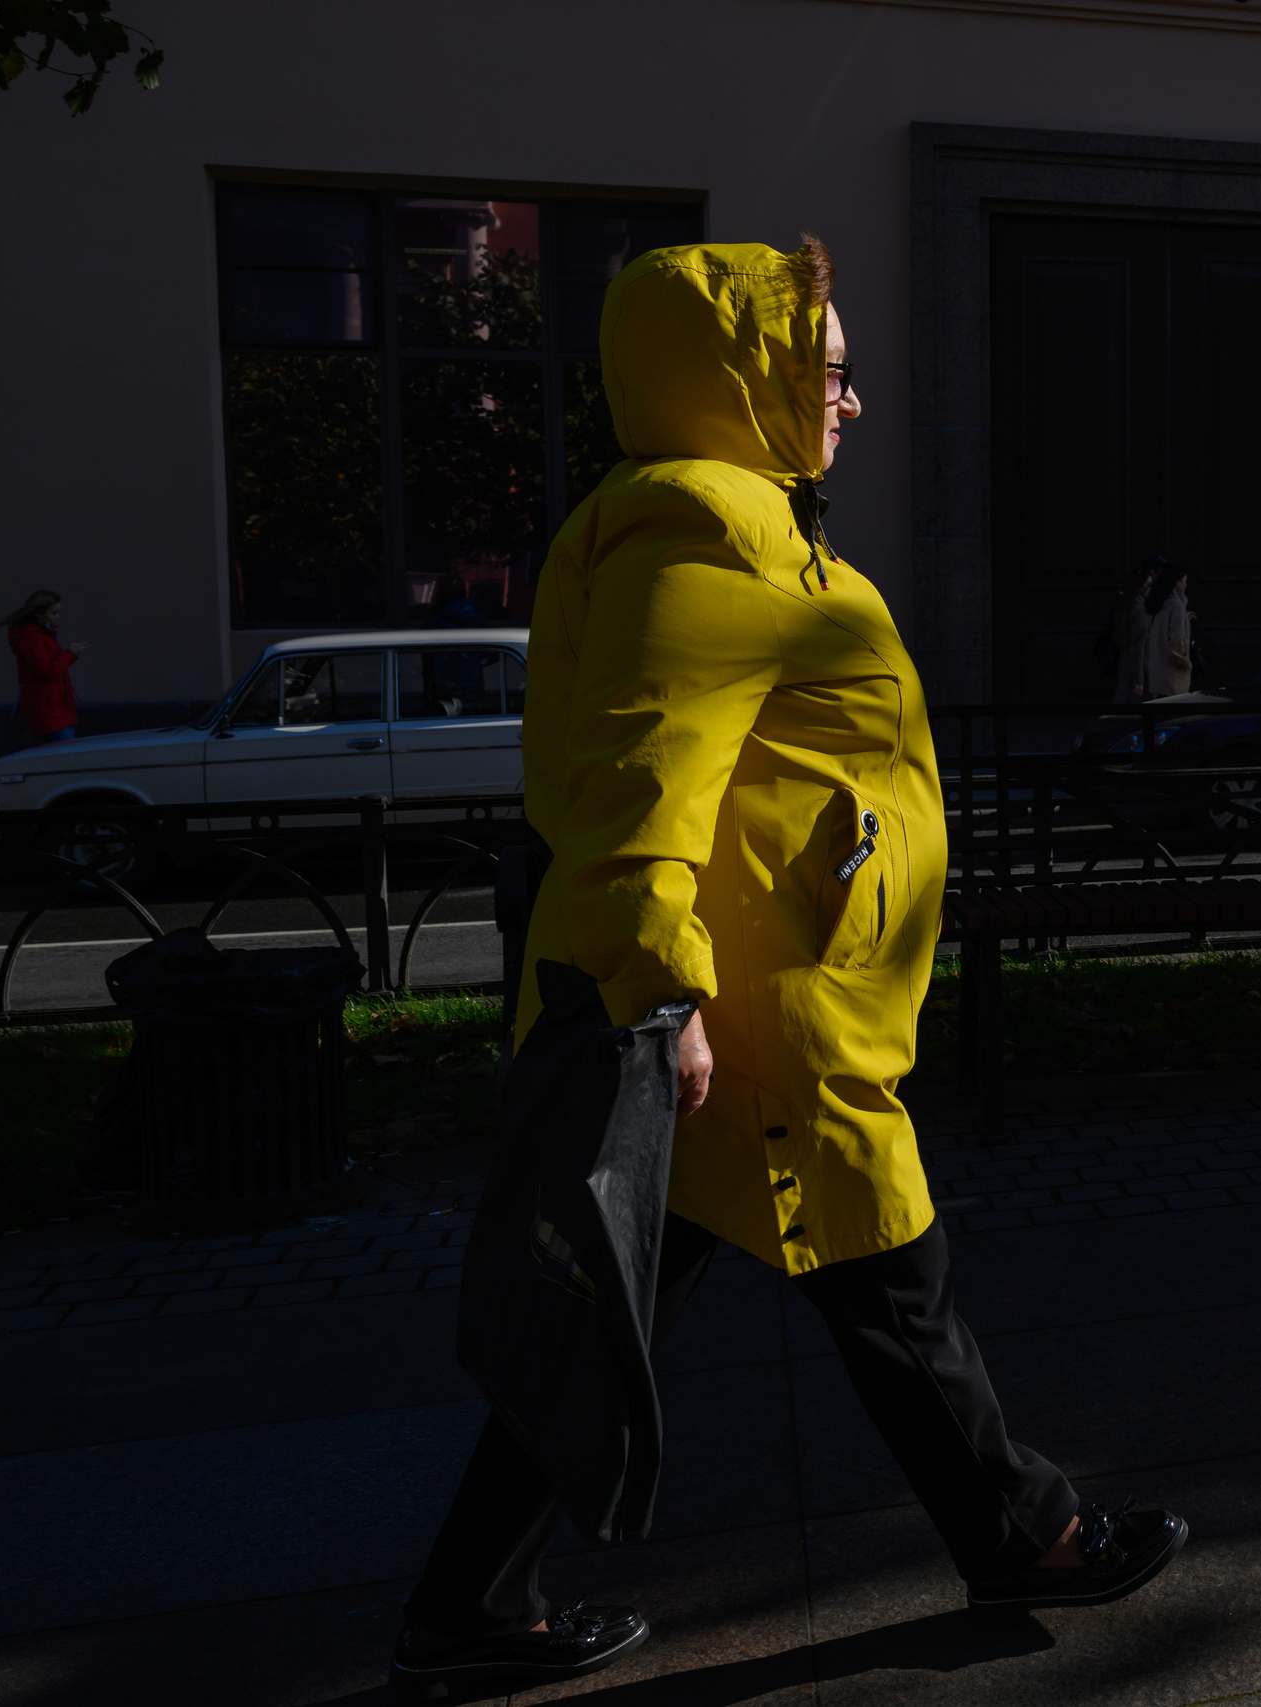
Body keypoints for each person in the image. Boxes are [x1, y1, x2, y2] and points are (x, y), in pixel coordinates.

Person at [389, 238, 1187, 1703]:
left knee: (633, 1300)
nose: (855, 399)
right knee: (888, 1281)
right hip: (752, 1028)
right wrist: (661, 997)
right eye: (827, 368)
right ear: (743, 376)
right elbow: (640, 786)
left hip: (748, 1005)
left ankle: (469, 1602)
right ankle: (1030, 1531)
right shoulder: (706, 528)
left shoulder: (728, 519)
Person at [0, 589, 85, 742]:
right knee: (65, 757)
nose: (58, 617)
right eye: (53, 613)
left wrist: (70, 653)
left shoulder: (42, 635)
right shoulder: (32, 637)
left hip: (57, 706)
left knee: (67, 756)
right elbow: (45, 672)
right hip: (47, 709)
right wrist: (70, 654)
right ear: (39, 614)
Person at [1140, 564, 1192, 698]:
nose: (1186, 584)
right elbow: (1176, 640)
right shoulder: (1176, 605)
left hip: (1157, 672)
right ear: (1177, 583)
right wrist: (1185, 663)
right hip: (1173, 673)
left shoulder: (1158, 603)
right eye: (1185, 580)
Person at [1109, 562, 1156, 703]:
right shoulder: (1140, 612)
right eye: (1148, 585)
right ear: (1139, 588)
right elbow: (1138, 647)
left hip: (1126, 667)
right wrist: (1139, 681)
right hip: (1139, 670)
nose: (1151, 589)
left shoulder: (1125, 607)